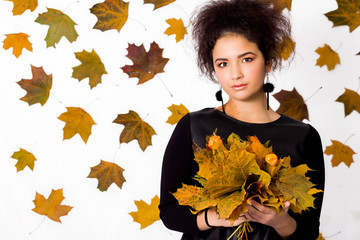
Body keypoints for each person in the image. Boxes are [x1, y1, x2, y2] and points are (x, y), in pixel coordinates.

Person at [159, 0, 325, 239]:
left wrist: (280, 221)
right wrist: (214, 217)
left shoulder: (303, 137)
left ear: (267, 61)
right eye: (223, 63)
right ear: (214, 69)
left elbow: (308, 231)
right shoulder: (193, 126)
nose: (235, 73)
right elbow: (169, 212)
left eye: (246, 59)